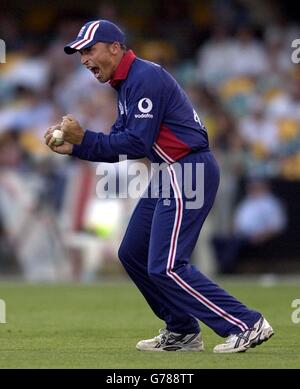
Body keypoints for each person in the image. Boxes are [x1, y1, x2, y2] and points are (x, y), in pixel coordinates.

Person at [45, 19, 274, 353]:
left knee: (167, 265)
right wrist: (77, 147)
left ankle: (245, 323)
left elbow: (136, 144)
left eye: (89, 49)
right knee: (132, 252)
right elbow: (121, 143)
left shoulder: (144, 77)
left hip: (188, 168)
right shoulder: (125, 83)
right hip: (171, 171)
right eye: (80, 52)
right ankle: (181, 330)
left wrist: (85, 139)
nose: (83, 59)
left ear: (115, 47)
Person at [213, 179, 287, 273]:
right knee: (216, 239)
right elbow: (236, 220)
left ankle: (227, 270)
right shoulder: (246, 202)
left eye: (256, 187)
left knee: (234, 243)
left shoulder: (271, 203)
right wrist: (232, 229)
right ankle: (222, 266)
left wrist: (261, 236)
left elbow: (277, 225)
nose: (253, 189)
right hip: (240, 235)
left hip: (257, 237)